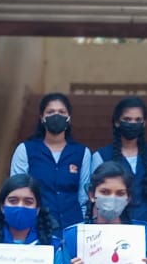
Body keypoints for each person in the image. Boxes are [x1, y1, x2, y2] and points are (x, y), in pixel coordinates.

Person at [9, 92, 91, 235]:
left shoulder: (82, 152)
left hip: (73, 227)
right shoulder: (26, 150)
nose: (56, 115)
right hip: (36, 228)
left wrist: (83, 226)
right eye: (50, 112)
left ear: (69, 117)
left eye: (61, 112)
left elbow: (83, 197)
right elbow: (17, 191)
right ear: (42, 117)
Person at [91, 95, 147, 225]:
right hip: (114, 223)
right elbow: (95, 196)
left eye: (138, 120)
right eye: (127, 119)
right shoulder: (101, 156)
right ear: (117, 122)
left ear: (144, 123)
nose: (133, 124)